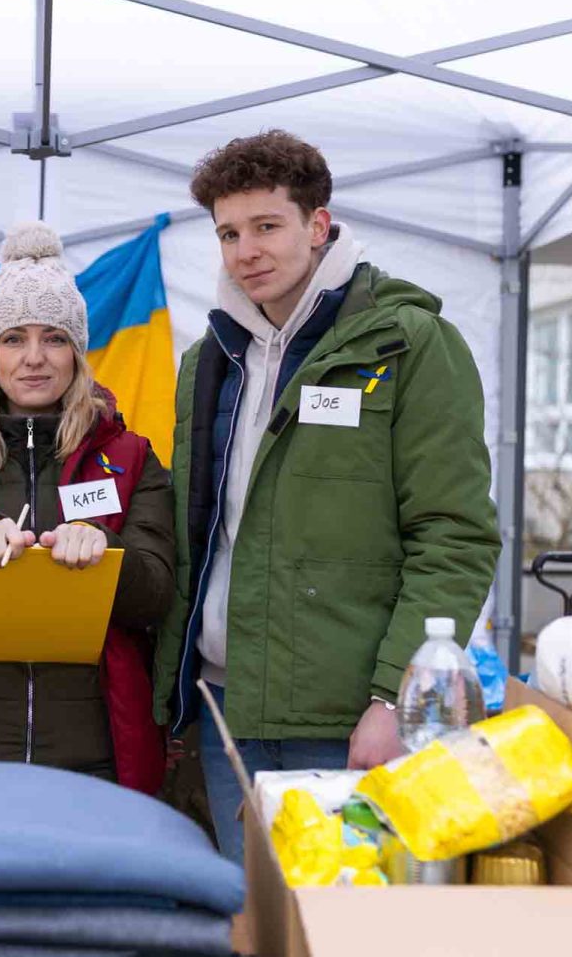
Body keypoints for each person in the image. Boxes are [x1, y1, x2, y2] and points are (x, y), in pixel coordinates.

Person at [152, 130, 500, 863]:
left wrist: (390, 702)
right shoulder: (207, 360)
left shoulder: (410, 345)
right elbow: (199, 533)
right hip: (226, 709)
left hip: (346, 720)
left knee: (347, 924)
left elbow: (455, 535)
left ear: (319, 224)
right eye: (228, 233)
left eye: (266, 226)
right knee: (253, 923)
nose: (245, 250)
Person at [0, 222, 173, 794]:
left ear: (78, 352)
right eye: (15, 338)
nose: (34, 358)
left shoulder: (131, 456)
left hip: (95, 748)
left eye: (55, 338)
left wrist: (106, 549)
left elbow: (160, 591)